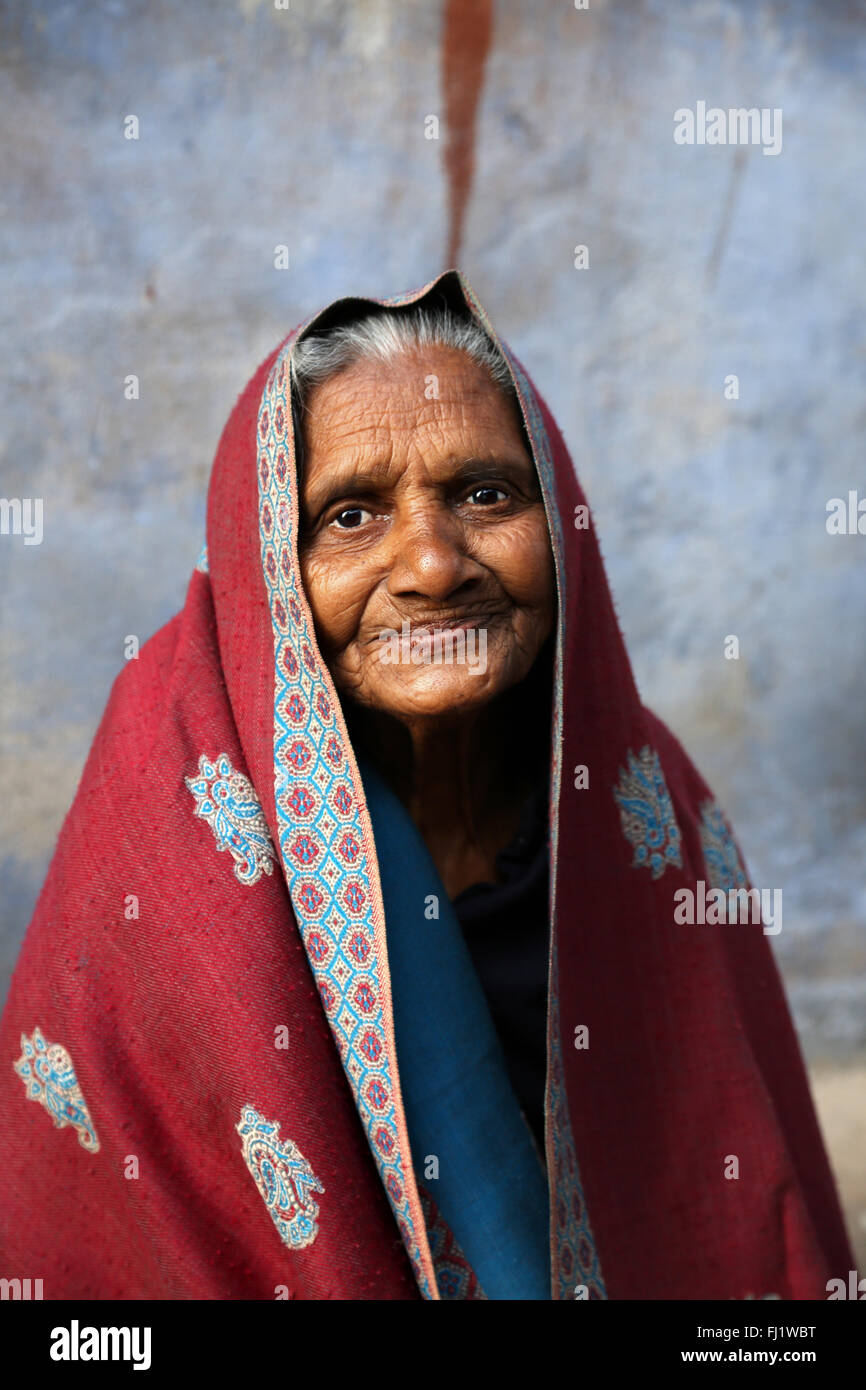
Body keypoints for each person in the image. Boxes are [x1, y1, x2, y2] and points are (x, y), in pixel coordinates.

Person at [0, 270, 852, 1300]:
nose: (433, 565)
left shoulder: (638, 801)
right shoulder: (174, 812)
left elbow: (734, 1185)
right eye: (352, 514)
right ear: (269, 557)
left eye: (484, 494)